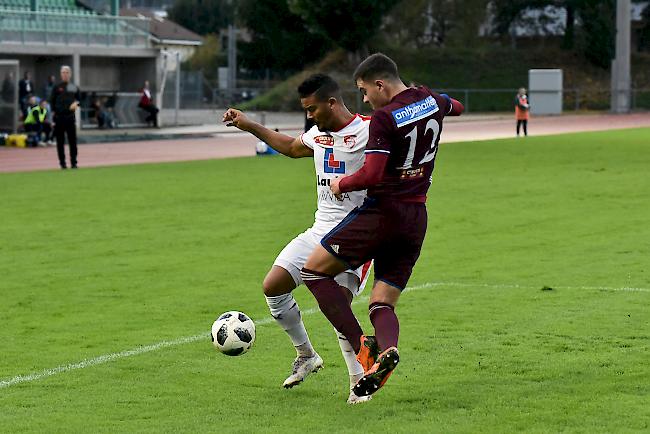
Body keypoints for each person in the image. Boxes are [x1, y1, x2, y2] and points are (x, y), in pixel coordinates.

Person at [300, 53, 464, 398]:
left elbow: (372, 175)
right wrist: (439, 105)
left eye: (363, 91)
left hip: (384, 213)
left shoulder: (384, 118)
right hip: (416, 218)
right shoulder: (431, 100)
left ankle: (364, 348)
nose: (364, 99)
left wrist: (341, 184)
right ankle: (387, 349)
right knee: (382, 303)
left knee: (313, 271)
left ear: (380, 84)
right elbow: (456, 106)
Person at [222, 74, 374, 405]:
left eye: (312, 109)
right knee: (273, 286)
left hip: (356, 233)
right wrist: (248, 124)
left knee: (338, 308)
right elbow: (291, 147)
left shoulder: (367, 130)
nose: (309, 117)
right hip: (320, 229)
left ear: (331, 103)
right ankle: (306, 355)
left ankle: (357, 383)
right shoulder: (319, 135)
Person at [50, 65, 81, 169]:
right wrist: (54, 114)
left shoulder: (74, 87)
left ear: (70, 74)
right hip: (59, 118)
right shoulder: (56, 87)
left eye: (67, 72)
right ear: (60, 74)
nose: (65, 74)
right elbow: (52, 101)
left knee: (72, 141)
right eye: (63, 72)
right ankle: (62, 163)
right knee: (60, 142)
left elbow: (80, 100)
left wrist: (76, 104)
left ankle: (74, 163)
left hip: (70, 117)